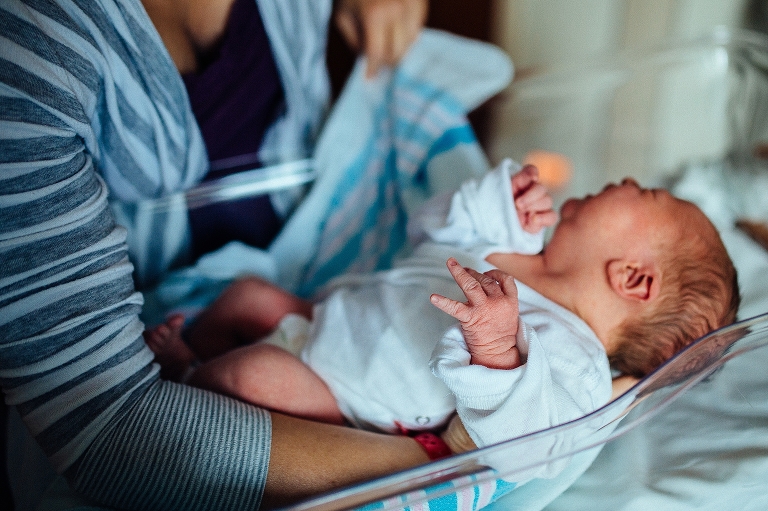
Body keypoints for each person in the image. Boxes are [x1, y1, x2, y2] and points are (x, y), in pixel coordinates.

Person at [0, 0, 433, 510]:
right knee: (254, 370)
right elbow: (109, 432)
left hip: (311, 256)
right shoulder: (26, 50)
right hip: (150, 343)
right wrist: (442, 462)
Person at [146, 159, 741, 453]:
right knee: (247, 294)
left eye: (648, 193)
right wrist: (493, 206)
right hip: (321, 318)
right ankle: (195, 349)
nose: (631, 179)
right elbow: (428, 236)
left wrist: (500, 355)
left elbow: (532, 442)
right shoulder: (519, 243)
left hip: (347, 397)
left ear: (633, 278)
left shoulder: (575, 360)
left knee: (248, 377)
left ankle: (185, 381)